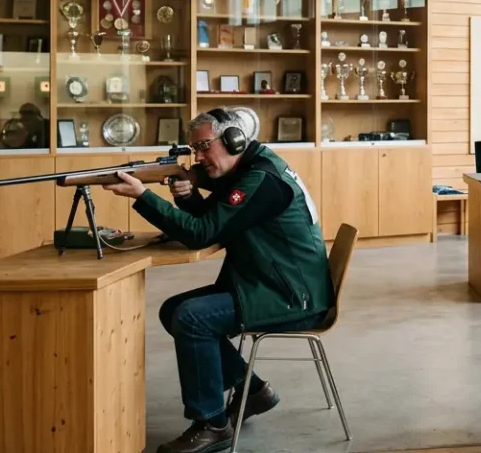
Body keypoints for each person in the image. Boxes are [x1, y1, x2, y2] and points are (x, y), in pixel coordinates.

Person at [105, 107, 332, 453]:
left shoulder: (260, 180)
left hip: (291, 297)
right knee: (174, 310)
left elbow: (202, 233)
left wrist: (143, 196)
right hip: (273, 284)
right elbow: (217, 221)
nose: (198, 157)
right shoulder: (254, 167)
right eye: (194, 149)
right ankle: (253, 391)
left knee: (192, 317)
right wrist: (187, 196)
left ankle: (212, 424)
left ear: (234, 140)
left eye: (204, 146)